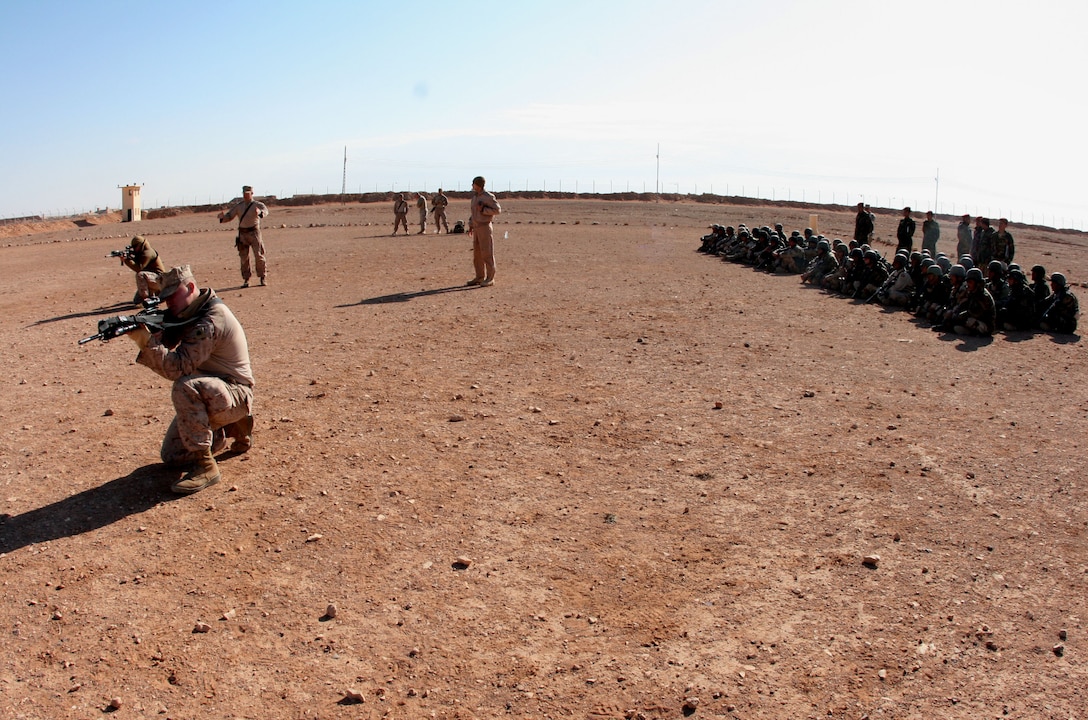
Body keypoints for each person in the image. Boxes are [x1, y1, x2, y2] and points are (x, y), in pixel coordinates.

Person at [126, 265, 255, 494]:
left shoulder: (210, 321)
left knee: (184, 386)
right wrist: (155, 331)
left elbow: (177, 368)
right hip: (216, 390)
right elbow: (169, 341)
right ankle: (234, 427)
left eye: (173, 296)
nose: (169, 304)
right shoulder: (192, 311)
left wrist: (144, 341)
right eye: (165, 299)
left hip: (235, 393)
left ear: (191, 288)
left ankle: (206, 466)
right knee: (173, 456)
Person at [218, 185, 269, 288]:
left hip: (254, 233)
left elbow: (265, 212)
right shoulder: (239, 206)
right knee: (243, 258)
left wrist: (259, 213)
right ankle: (246, 279)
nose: (246, 196)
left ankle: (262, 277)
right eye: (244, 194)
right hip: (243, 234)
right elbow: (230, 216)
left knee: (259, 256)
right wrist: (222, 218)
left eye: (248, 194)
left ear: (252, 193)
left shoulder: (258, 205)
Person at [467, 176, 501, 287]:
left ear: (478, 185)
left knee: (487, 253)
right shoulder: (474, 197)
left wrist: (483, 210)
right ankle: (479, 277)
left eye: (473, 184)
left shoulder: (488, 197)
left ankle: (490, 278)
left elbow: (497, 210)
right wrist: (471, 225)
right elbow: (473, 213)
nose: (472, 186)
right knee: (477, 255)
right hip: (476, 228)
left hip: (485, 227)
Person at [121, 235, 166, 304]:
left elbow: (139, 268)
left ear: (141, 245)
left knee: (140, 275)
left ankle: (147, 299)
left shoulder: (148, 253)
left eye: (136, 247)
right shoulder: (142, 252)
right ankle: (156, 294)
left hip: (160, 280)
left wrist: (127, 260)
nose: (134, 249)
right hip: (153, 279)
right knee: (137, 302)